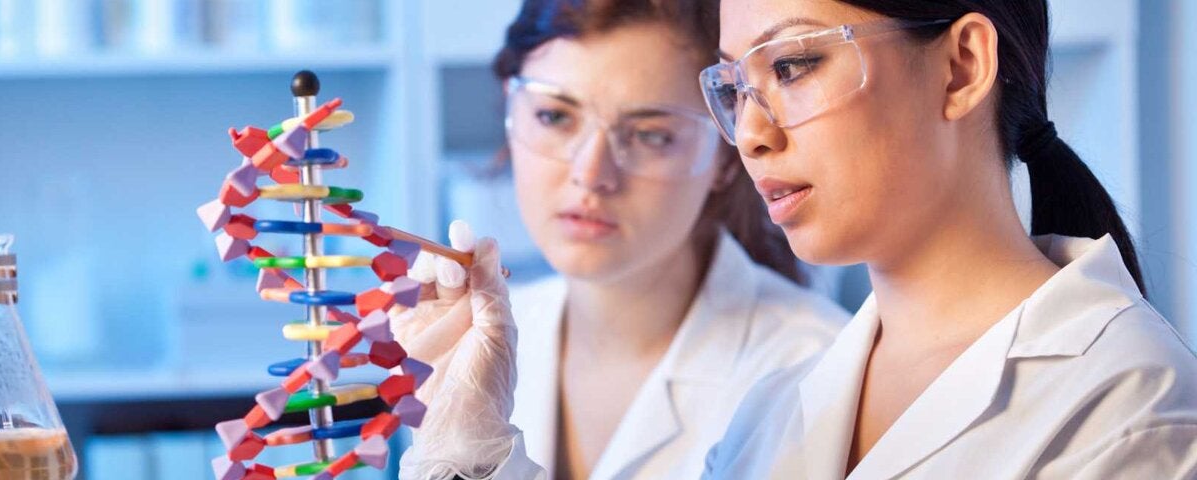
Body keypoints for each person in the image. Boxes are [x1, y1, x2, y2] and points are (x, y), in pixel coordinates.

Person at [699, 0, 1197, 478]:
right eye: (734, 87)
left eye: (792, 65)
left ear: (963, 66)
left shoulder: (1132, 405)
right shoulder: (762, 419)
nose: (749, 133)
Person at [389, 0, 850, 478]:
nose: (591, 174)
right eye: (554, 117)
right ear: (511, 108)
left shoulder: (819, 374)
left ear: (727, 154)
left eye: (650, 135)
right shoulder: (462, 352)